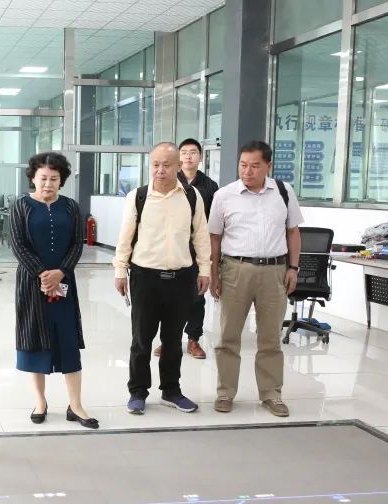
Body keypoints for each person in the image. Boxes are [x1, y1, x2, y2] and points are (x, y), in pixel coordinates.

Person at [113, 142, 211, 415]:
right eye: (155, 164)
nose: (160, 170)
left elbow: (201, 236)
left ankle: (171, 390)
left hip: (181, 278)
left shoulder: (191, 196)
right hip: (145, 277)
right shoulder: (138, 196)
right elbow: (125, 236)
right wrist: (120, 271)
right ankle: (137, 392)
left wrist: (205, 270)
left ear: (178, 166)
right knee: (141, 340)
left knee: (172, 341)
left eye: (167, 165)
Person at [208, 140, 303, 417]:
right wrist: (213, 274)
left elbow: (293, 232)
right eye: (243, 165)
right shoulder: (224, 195)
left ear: (268, 166)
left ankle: (271, 394)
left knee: (270, 337)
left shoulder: (283, 192)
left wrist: (293, 268)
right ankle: (225, 392)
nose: (247, 171)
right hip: (235, 270)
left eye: (254, 166)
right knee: (228, 336)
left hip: (275, 272)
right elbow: (214, 238)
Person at [10, 152, 98, 430]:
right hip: (31, 284)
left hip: (64, 284)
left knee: (68, 341)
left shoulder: (71, 207)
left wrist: (60, 272)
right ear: (33, 178)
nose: (48, 183)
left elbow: (76, 244)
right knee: (35, 339)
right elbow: (17, 245)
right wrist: (42, 274)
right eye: (43, 178)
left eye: (54, 179)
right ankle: (40, 402)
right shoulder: (21, 206)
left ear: (62, 181)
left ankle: (76, 405)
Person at [154, 138, 219, 360]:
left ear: (200, 157)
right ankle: (168, 340)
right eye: (184, 152)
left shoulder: (210, 186)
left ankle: (193, 339)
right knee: (167, 298)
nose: (188, 156)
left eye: (193, 152)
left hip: (197, 250)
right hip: (171, 249)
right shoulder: (168, 180)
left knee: (196, 297)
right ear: (178, 158)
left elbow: (212, 224)